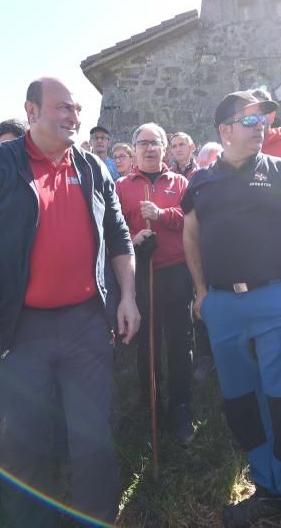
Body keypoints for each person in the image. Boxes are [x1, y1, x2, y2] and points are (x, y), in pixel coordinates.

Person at [0, 77, 140, 526]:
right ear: (31, 111)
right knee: (22, 443)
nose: (73, 117)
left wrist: (127, 296)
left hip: (86, 325)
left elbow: (118, 235)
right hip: (19, 328)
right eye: (62, 108)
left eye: (76, 109)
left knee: (92, 438)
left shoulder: (93, 168)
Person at [183, 90, 281, 527]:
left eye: (263, 119)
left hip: (276, 299)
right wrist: (202, 292)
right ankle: (268, 487)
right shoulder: (200, 182)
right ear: (224, 131)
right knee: (241, 402)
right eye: (249, 120)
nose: (260, 126)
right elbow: (191, 235)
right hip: (222, 306)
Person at [116, 123, 195, 444]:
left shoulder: (180, 182)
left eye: (155, 143)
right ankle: (151, 405)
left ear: (164, 148)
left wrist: (162, 215)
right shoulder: (121, 185)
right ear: (134, 148)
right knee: (146, 344)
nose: (149, 148)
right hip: (141, 275)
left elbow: (192, 219)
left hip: (175, 272)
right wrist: (133, 240)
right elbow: (114, 226)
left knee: (180, 342)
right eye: (143, 143)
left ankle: (181, 407)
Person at [250, 89, 281, 159]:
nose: (255, 117)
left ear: (272, 116)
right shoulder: (238, 151)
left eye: (261, 112)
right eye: (249, 113)